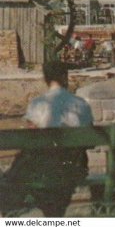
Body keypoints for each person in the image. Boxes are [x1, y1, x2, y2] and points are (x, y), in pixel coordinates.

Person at [0, 60, 94, 217]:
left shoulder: (37, 105)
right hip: (73, 169)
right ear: (66, 76)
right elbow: (91, 140)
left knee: (15, 175)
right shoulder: (81, 104)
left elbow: (30, 140)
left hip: (43, 170)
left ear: (45, 79)